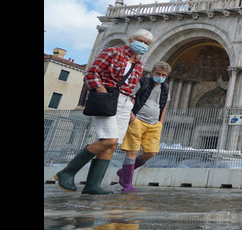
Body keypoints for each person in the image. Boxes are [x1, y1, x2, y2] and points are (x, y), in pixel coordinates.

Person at [55, 30, 153, 195]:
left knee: (113, 144)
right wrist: (100, 89)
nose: (142, 45)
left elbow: (131, 85)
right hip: (107, 97)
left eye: (146, 43)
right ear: (130, 40)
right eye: (140, 40)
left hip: (125, 103)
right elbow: (92, 73)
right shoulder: (112, 52)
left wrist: (130, 101)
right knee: (109, 139)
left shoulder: (138, 64)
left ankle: (93, 186)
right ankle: (67, 172)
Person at [114, 61, 171, 192]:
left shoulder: (165, 88)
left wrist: (161, 122)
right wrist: (132, 116)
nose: (160, 76)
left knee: (151, 152)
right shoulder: (143, 81)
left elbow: (163, 106)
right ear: (153, 72)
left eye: (163, 75)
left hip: (154, 124)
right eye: (158, 73)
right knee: (132, 151)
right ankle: (127, 184)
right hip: (137, 120)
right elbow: (130, 97)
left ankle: (124, 172)